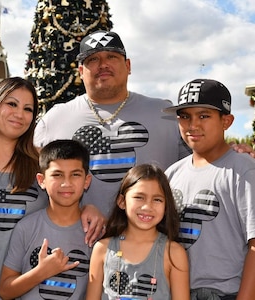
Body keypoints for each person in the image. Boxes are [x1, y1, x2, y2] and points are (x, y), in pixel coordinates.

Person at [34, 30, 255, 218]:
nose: (103, 64)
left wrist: (234, 153)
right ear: (81, 71)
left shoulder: (165, 114)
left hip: (152, 252)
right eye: (92, 59)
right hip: (75, 253)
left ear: (128, 65)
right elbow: (31, 174)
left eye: (112, 56)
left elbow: (202, 161)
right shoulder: (54, 119)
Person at [0, 78, 102, 300]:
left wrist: (88, 207)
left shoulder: (40, 160)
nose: (19, 114)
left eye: (28, 109)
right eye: (12, 104)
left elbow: (64, 198)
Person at [164, 78, 255, 299]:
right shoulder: (171, 174)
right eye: (185, 116)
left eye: (204, 116)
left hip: (226, 292)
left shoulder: (243, 170)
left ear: (227, 121)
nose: (193, 125)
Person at [0, 139, 93, 299]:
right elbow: (5, 291)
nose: (66, 183)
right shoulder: (26, 227)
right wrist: (41, 272)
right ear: (41, 181)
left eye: (75, 175)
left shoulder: (95, 233)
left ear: (87, 181)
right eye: (57, 175)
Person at [86, 163, 190, 300]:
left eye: (157, 199)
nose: (147, 206)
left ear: (166, 207)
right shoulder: (102, 249)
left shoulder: (174, 253)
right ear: (122, 202)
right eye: (139, 197)